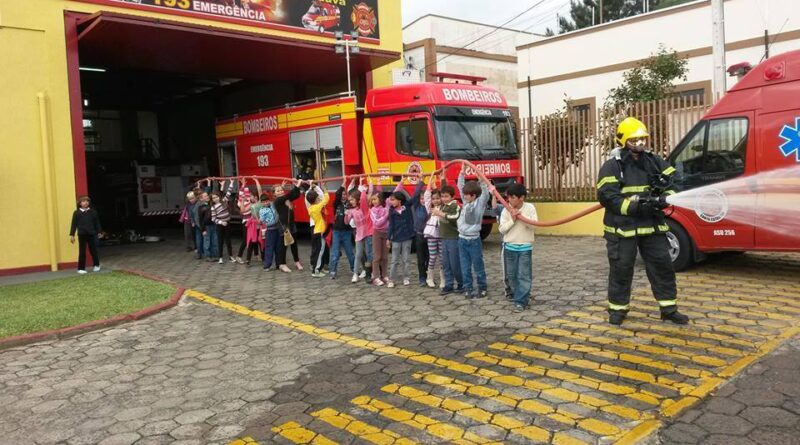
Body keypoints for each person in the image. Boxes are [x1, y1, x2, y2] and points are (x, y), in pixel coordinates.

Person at [597, 117, 689, 326]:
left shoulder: (654, 161)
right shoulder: (612, 166)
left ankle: (669, 309)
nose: (639, 144)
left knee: (662, 267)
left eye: (642, 139)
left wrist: (665, 197)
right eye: (634, 140)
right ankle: (618, 309)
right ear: (623, 141)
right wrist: (634, 206)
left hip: (652, 225)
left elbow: (676, 181)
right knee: (621, 269)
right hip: (623, 229)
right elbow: (607, 196)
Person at [498, 184, 538, 312]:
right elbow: (502, 229)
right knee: (511, 276)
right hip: (510, 248)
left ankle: (521, 301)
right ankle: (520, 295)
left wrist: (521, 217)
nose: (509, 200)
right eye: (508, 197)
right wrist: (513, 220)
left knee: (524, 275)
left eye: (513, 197)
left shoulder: (530, 208)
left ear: (521, 198)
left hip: (525, 248)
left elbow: (534, 225)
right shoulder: (506, 210)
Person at [456, 165, 492, 299]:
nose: (464, 197)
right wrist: (462, 172)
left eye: (467, 195)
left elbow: (486, 193)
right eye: (464, 195)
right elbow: (460, 186)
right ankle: (468, 288)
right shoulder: (465, 203)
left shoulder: (480, 204)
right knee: (465, 266)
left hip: (474, 240)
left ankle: (482, 287)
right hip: (462, 239)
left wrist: (481, 179)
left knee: (478, 265)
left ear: (474, 196)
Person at [369, 180, 403, 286]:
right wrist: (386, 216)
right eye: (372, 199)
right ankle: (376, 277)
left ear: (380, 198)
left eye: (375, 199)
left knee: (385, 257)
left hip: (386, 234)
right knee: (377, 256)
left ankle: (384, 275)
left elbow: (395, 193)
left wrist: (402, 181)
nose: (374, 201)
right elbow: (377, 223)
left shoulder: (387, 205)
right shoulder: (372, 210)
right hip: (377, 233)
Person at [431, 183, 463, 295]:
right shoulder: (443, 206)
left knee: (455, 263)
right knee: (446, 264)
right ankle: (448, 285)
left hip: (453, 238)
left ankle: (461, 284)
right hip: (443, 238)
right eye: (442, 196)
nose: (444, 199)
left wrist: (441, 214)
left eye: (446, 196)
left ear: (452, 197)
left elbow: (455, 217)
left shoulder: (455, 206)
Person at [386, 180, 415, 288]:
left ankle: (406, 277)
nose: (391, 202)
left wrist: (420, 182)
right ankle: (391, 279)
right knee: (394, 260)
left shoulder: (406, 207)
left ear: (399, 200)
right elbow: (391, 225)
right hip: (396, 238)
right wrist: (388, 238)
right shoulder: (391, 211)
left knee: (406, 259)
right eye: (390, 200)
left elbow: (415, 196)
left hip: (407, 237)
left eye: (393, 200)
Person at [346, 178, 373, 283]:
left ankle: (369, 273)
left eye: (352, 200)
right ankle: (355, 274)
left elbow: (367, 195)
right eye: (350, 200)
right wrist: (347, 216)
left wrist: (368, 184)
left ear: (357, 199)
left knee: (370, 254)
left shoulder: (364, 207)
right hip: (359, 234)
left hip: (368, 233)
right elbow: (347, 222)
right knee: (358, 254)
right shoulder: (352, 210)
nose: (351, 201)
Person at [328, 180, 357, 280]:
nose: (343, 196)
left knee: (350, 252)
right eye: (342, 194)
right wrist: (343, 184)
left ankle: (354, 269)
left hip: (347, 232)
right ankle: (333, 271)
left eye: (345, 194)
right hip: (336, 232)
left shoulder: (349, 204)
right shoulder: (336, 204)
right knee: (335, 252)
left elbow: (354, 193)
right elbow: (337, 194)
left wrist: (352, 182)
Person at [273, 180, 303, 273]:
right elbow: (288, 195)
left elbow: (296, 195)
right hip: (284, 226)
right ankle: (282, 264)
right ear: (274, 194)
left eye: (281, 190)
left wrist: (296, 187)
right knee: (284, 245)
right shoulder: (277, 200)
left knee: (294, 244)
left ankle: (297, 261)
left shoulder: (286, 200)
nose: (280, 191)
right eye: (277, 191)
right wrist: (297, 185)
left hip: (291, 224)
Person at [69, 195, 102, 274]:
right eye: (83, 201)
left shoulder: (93, 212)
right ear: (80, 203)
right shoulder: (76, 213)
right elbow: (73, 224)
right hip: (82, 234)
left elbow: (97, 223)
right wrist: (72, 235)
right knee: (82, 251)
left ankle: (96, 265)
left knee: (93, 250)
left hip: (91, 233)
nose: (85, 203)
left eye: (87, 201)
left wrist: (99, 232)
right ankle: (81, 268)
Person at [423, 174, 443, 289]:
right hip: (431, 234)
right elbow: (426, 195)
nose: (435, 201)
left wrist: (438, 182)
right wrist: (430, 180)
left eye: (437, 198)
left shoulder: (444, 207)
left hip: (441, 234)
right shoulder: (429, 208)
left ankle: (443, 278)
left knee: (442, 257)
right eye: (434, 199)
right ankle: (429, 277)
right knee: (432, 256)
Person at [306, 182, 330, 277]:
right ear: (315, 200)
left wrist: (313, 187)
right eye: (317, 198)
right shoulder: (317, 207)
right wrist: (324, 188)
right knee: (320, 251)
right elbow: (326, 199)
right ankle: (316, 271)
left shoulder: (311, 208)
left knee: (319, 251)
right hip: (320, 231)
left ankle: (318, 268)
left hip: (317, 230)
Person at [409, 178, 430, 287]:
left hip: (430, 237)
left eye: (424, 198)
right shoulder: (416, 206)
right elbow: (415, 195)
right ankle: (422, 277)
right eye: (421, 198)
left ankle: (428, 275)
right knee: (421, 258)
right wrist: (420, 183)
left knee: (429, 258)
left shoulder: (429, 208)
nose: (423, 200)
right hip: (419, 235)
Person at [211, 182, 236, 264]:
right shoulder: (213, 207)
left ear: (219, 197)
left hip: (227, 223)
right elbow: (213, 218)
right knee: (220, 241)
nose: (215, 199)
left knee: (228, 240)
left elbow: (228, 193)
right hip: (220, 225)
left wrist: (231, 183)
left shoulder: (224, 201)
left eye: (216, 197)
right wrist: (221, 222)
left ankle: (230, 256)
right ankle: (220, 257)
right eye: (213, 198)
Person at [235, 184, 257, 264]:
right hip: (246, 223)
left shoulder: (256, 203)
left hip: (254, 224)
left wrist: (256, 182)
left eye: (251, 195)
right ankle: (239, 256)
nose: (250, 197)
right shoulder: (248, 203)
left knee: (254, 240)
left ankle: (255, 256)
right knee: (246, 240)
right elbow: (242, 211)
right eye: (250, 195)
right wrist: (243, 201)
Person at [258, 192, 280, 271]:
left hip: (277, 228)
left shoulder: (273, 205)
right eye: (263, 202)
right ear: (261, 203)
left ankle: (279, 264)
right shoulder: (262, 210)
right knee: (269, 247)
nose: (266, 203)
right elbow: (261, 220)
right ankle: (267, 265)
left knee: (278, 247)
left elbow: (276, 198)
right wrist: (260, 222)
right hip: (270, 230)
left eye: (267, 201)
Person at [197, 192, 218, 262]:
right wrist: (203, 229)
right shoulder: (201, 207)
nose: (207, 197)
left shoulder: (211, 205)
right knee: (207, 241)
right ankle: (207, 255)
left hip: (213, 225)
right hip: (206, 226)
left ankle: (214, 255)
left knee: (214, 240)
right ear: (201, 199)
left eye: (207, 195)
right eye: (205, 196)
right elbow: (200, 219)